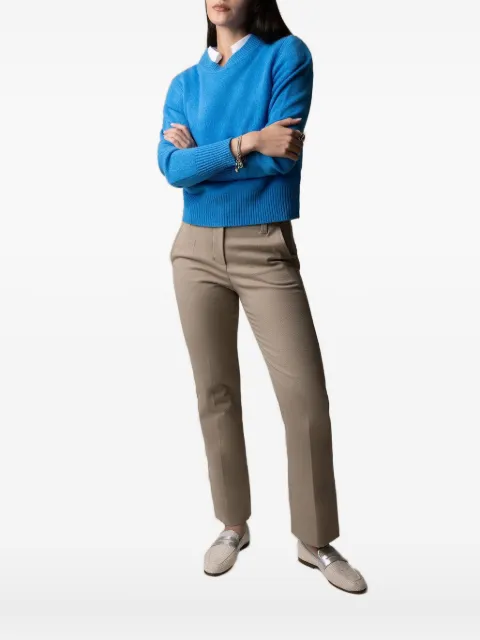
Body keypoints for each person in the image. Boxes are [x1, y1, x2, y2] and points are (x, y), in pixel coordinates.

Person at [157, 0, 367, 594]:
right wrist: (249, 140)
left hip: (264, 243)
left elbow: (282, 162)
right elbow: (171, 169)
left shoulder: (286, 56)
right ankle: (232, 524)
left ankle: (315, 539)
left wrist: (204, 155)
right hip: (193, 249)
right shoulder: (184, 82)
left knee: (304, 397)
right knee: (215, 392)